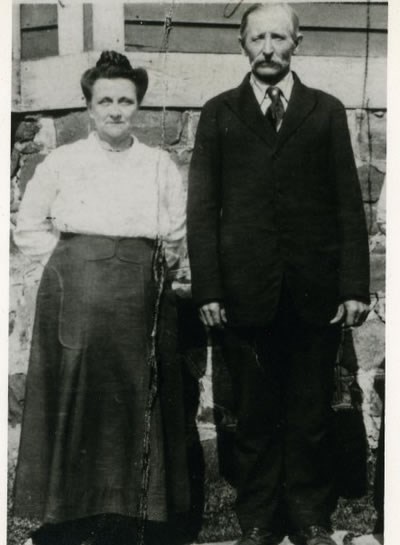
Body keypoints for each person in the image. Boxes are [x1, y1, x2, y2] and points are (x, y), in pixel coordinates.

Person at [187, 4, 370, 545]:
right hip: (245, 293)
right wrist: (210, 289)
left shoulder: (325, 111)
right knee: (255, 415)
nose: (267, 48)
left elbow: (346, 205)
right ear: (241, 44)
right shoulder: (219, 113)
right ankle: (259, 520)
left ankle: (312, 517)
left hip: (313, 292)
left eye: (278, 38)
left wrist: (354, 285)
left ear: (298, 42)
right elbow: (203, 209)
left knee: (312, 413)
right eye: (256, 38)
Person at [13, 51, 189, 545]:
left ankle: (136, 515)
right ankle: (70, 515)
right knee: (77, 400)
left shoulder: (159, 165)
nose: (116, 110)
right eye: (105, 100)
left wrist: (142, 271)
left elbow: (174, 236)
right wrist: (73, 267)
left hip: (139, 297)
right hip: (78, 297)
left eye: (126, 101)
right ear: (88, 107)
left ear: (139, 106)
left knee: (138, 397)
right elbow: (28, 228)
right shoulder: (62, 162)